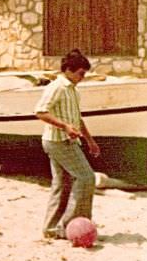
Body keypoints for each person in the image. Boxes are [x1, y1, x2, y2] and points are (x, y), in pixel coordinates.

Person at [35, 49, 100, 240]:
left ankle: (51, 228)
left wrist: (90, 140)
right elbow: (40, 112)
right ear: (69, 70)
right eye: (81, 73)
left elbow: (77, 119)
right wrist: (65, 127)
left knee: (62, 184)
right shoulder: (56, 87)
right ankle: (70, 226)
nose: (82, 77)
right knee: (86, 178)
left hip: (65, 141)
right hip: (57, 141)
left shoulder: (73, 91)